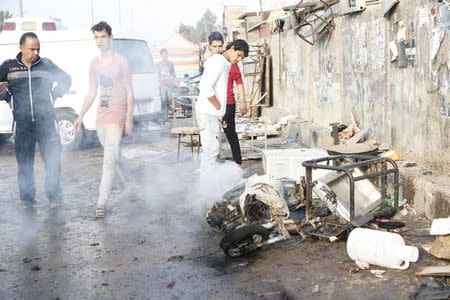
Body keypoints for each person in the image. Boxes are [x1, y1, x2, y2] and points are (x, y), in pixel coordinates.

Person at [0, 32, 71, 206]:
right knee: (24, 163)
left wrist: (55, 94)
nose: (36, 52)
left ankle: (54, 196)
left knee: (53, 161)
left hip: (46, 122)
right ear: (21, 48)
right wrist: (5, 96)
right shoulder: (9, 67)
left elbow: (66, 79)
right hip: (23, 124)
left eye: (38, 48)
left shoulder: (46, 64)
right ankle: (27, 199)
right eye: (32, 49)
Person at [74, 21, 134, 218]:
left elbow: (129, 91)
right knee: (114, 156)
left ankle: (102, 203)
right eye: (96, 37)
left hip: (118, 114)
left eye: (103, 37)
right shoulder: (94, 64)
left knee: (108, 160)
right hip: (101, 116)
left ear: (110, 37)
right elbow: (92, 92)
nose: (100, 41)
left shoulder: (121, 61)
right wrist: (81, 114)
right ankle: (132, 186)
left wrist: (129, 118)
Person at [196, 39, 249, 175]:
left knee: (212, 150)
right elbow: (205, 87)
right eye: (238, 55)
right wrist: (219, 107)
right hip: (209, 112)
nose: (238, 59)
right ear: (231, 49)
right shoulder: (218, 62)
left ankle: (207, 186)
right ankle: (206, 190)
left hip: (213, 113)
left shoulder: (225, 63)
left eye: (241, 58)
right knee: (211, 151)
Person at [207, 32, 248, 165]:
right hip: (213, 104)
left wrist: (243, 102)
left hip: (227, 105)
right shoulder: (213, 62)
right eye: (214, 46)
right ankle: (213, 164)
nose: (217, 49)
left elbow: (239, 82)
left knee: (230, 133)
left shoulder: (232, 63)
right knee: (212, 136)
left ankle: (237, 162)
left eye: (219, 46)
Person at [156, 48, 177, 116]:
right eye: (164, 54)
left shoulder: (170, 64)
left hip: (169, 84)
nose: (166, 55)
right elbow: (156, 75)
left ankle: (167, 113)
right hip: (162, 85)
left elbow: (173, 74)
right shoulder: (158, 64)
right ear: (161, 55)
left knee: (169, 99)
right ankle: (164, 115)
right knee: (163, 99)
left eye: (166, 54)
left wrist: (175, 82)